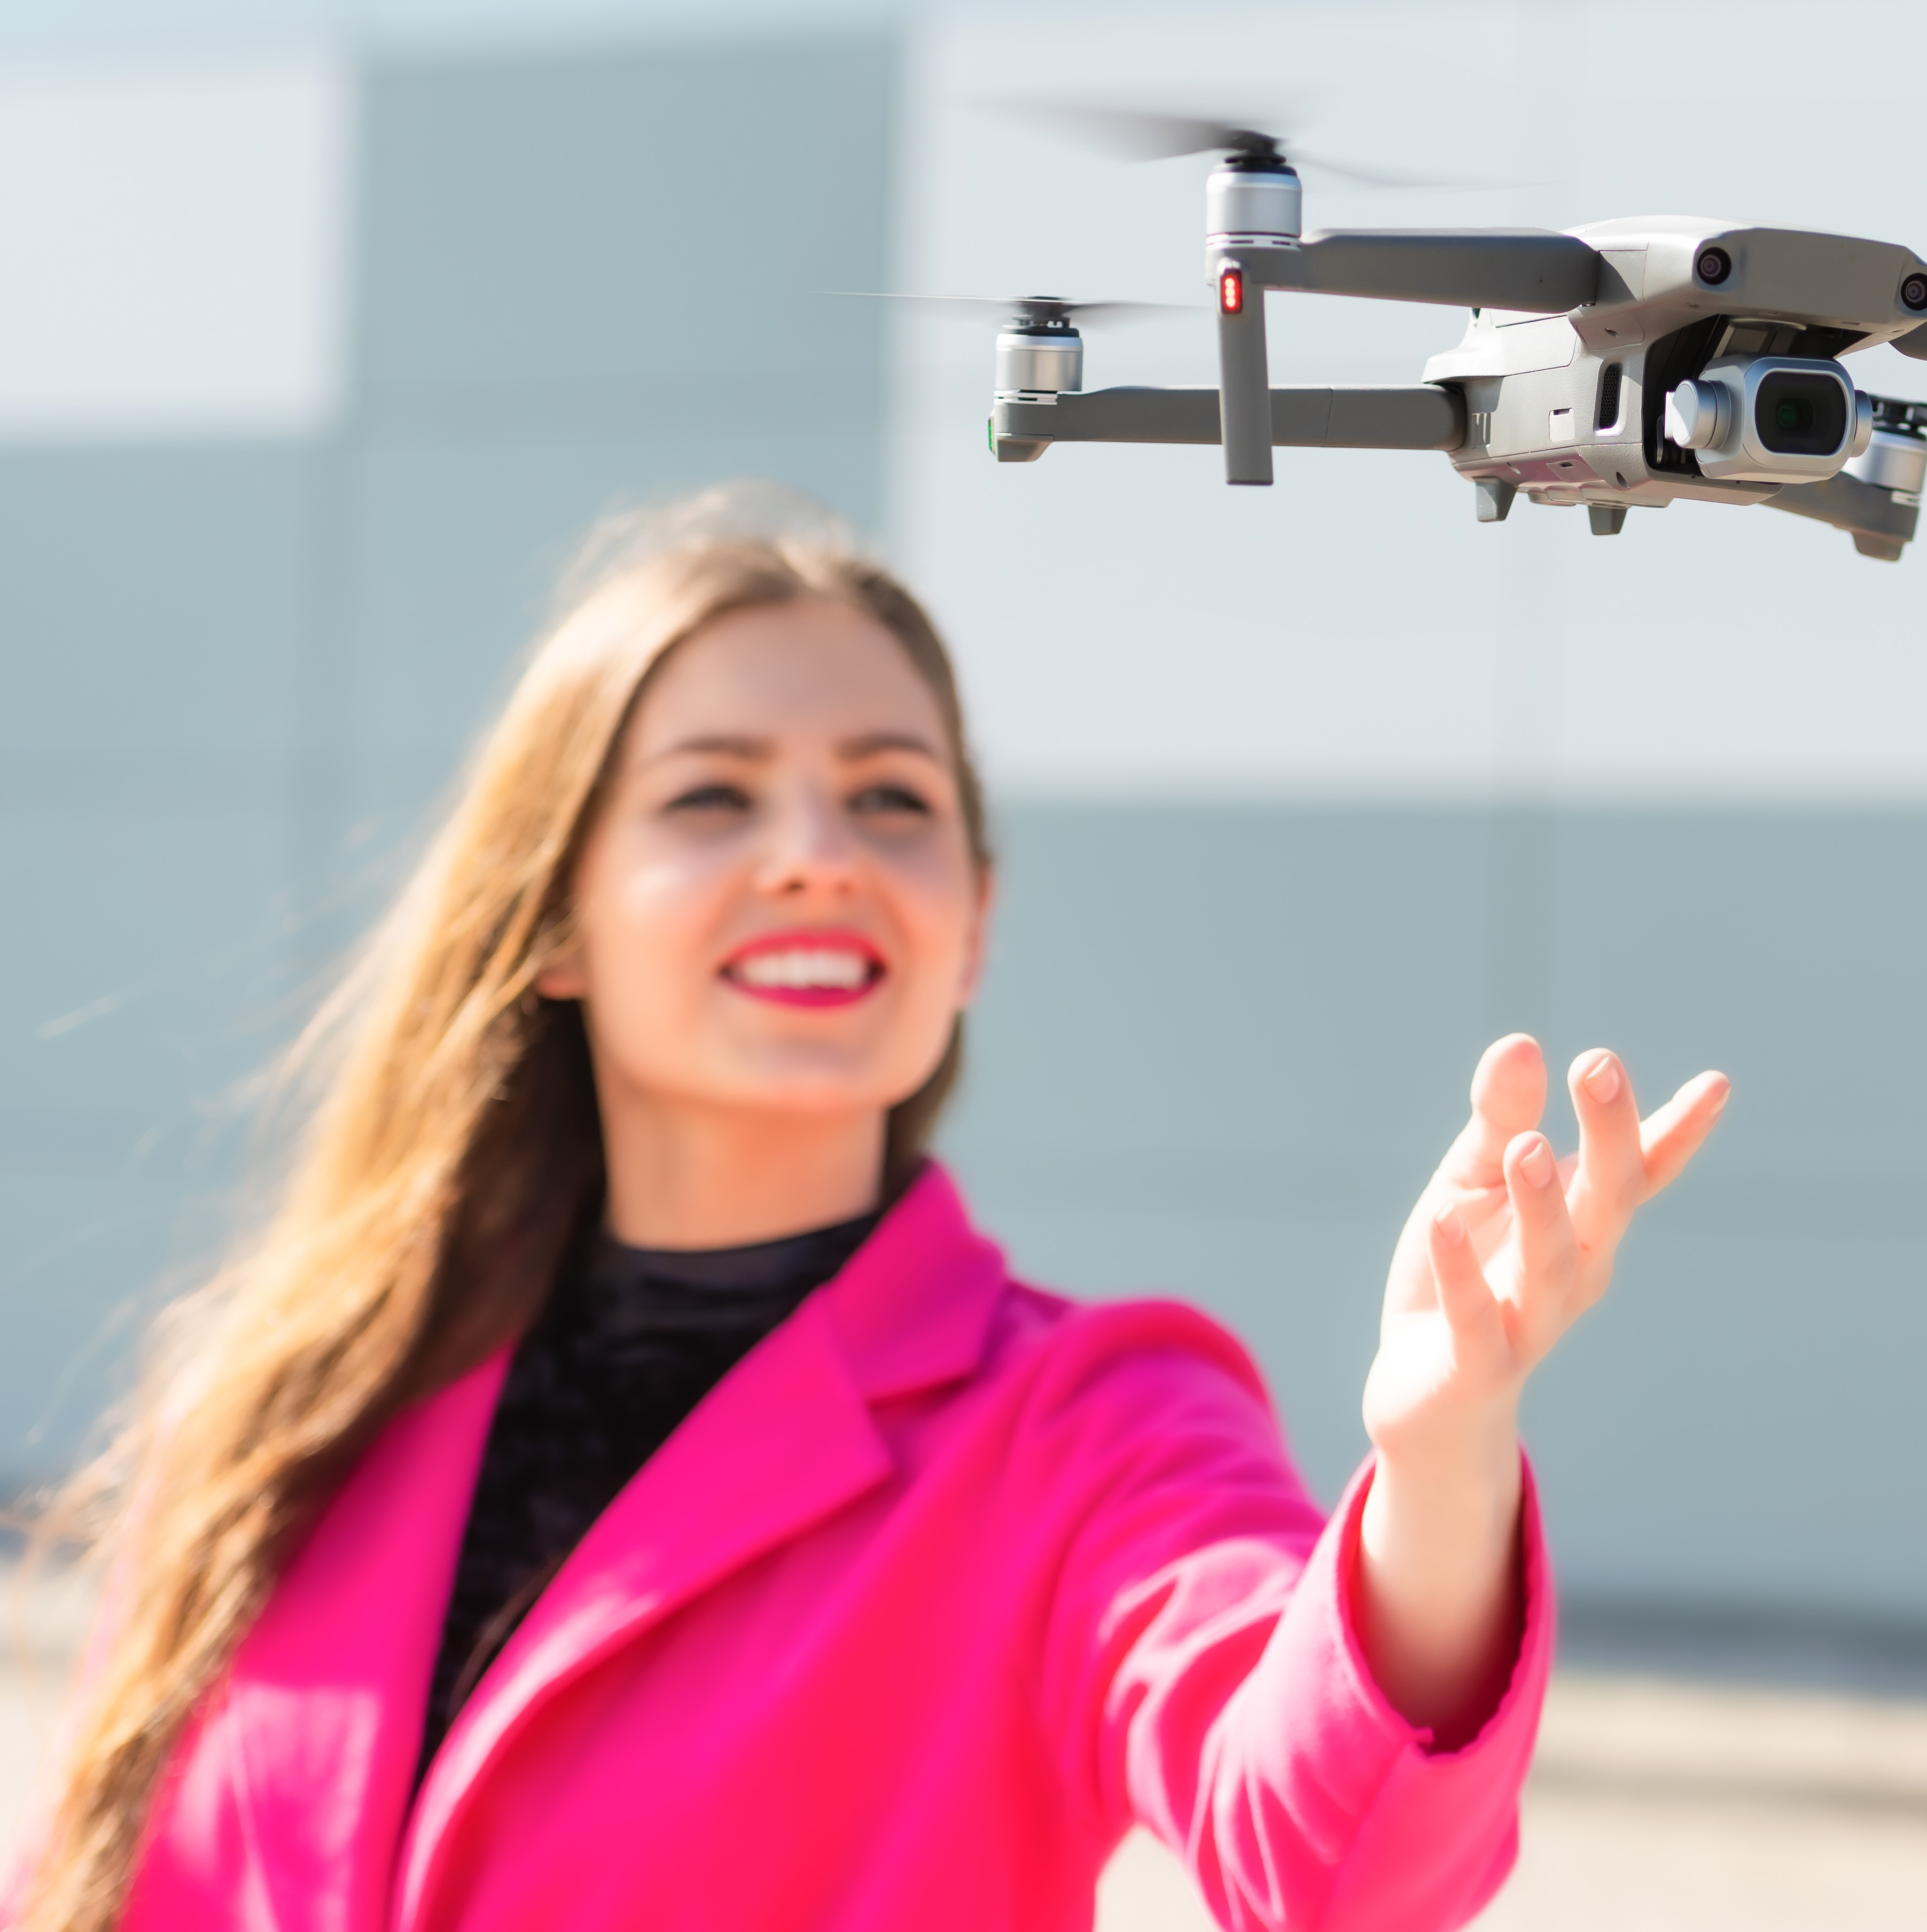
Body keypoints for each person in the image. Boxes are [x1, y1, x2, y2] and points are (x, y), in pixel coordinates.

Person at [6, 487, 1730, 1932]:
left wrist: (1440, 1471)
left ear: (969, 925)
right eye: (712, 795)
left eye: (892, 798)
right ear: (549, 925)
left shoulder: (1084, 1432)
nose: (817, 851)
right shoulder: (293, 1406)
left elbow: (1325, 1857)